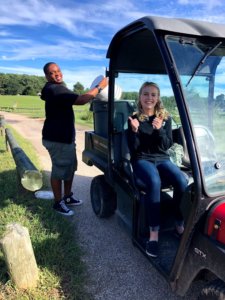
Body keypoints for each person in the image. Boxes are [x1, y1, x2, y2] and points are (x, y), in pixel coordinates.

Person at [128, 82, 188, 258]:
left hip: (162, 158)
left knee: (182, 180)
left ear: (158, 97)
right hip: (142, 159)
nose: (149, 98)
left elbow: (166, 145)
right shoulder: (134, 118)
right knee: (154, 182)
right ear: (140, 96)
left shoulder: (165, 117)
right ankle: (153, 235)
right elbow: (134, 149)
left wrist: (160, 130)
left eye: (153, 94)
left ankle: (178, 221)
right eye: (146, 94)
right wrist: (134, 132)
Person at [41, 62, 108, 216]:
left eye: (58, 71)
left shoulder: (57, 88)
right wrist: (100, 86)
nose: (56, 74)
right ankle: (58, 203)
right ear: (47, 76)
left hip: (65, 138)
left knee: (70, 168)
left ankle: (67, 197)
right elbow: (82, 99)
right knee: (59, 170)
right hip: (57, 140)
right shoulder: (54, 88)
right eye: (52, 73)